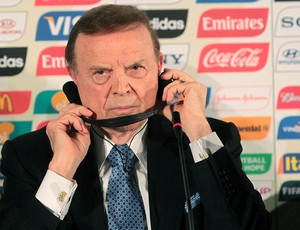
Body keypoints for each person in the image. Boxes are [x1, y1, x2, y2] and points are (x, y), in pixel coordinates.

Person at [0, 4, 271, 230]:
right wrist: (61, 170)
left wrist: (199, 131)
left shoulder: (207, 139)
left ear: (159, 67)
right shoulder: (29, 156)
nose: (121, 88)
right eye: (101, 72)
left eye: (136, 67)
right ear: (74, 75)